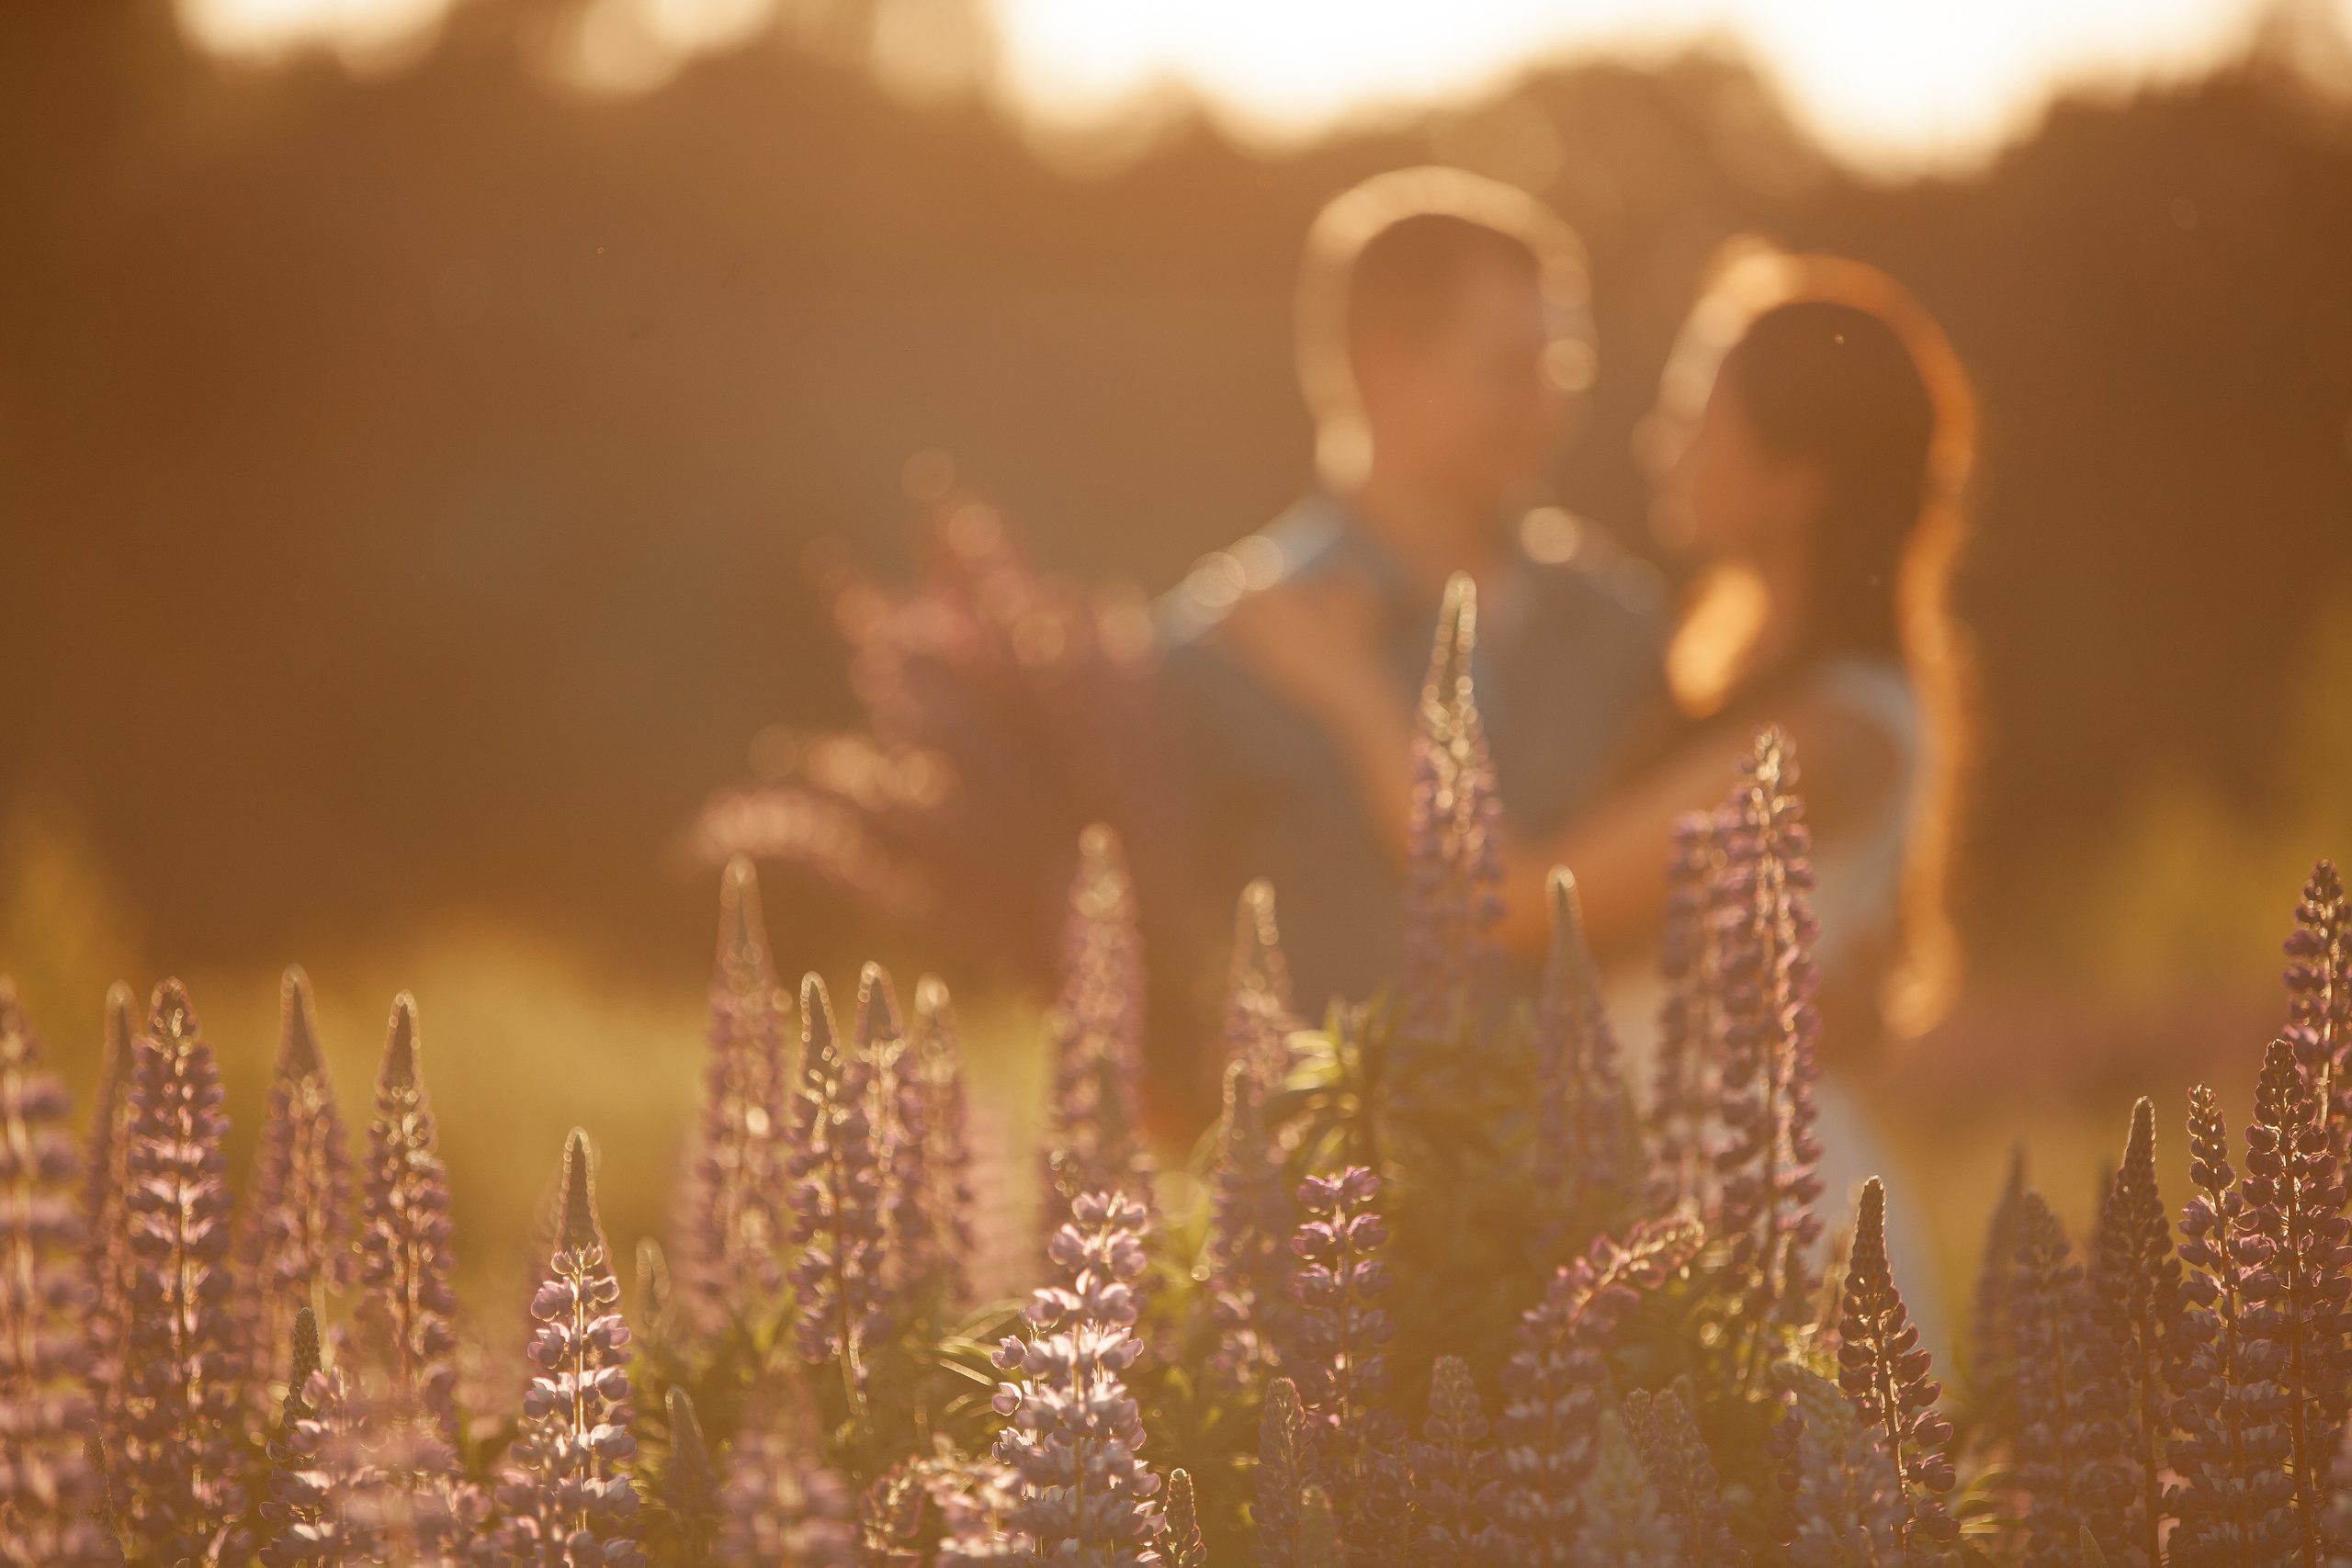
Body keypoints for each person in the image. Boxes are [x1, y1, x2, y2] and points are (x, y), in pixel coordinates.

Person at [1159, 167, 1678, 1021]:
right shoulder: (1222, 649)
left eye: (1562, 368)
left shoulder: (1615, 625)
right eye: (1513, 370)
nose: (1550, 407)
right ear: (1384, 369)